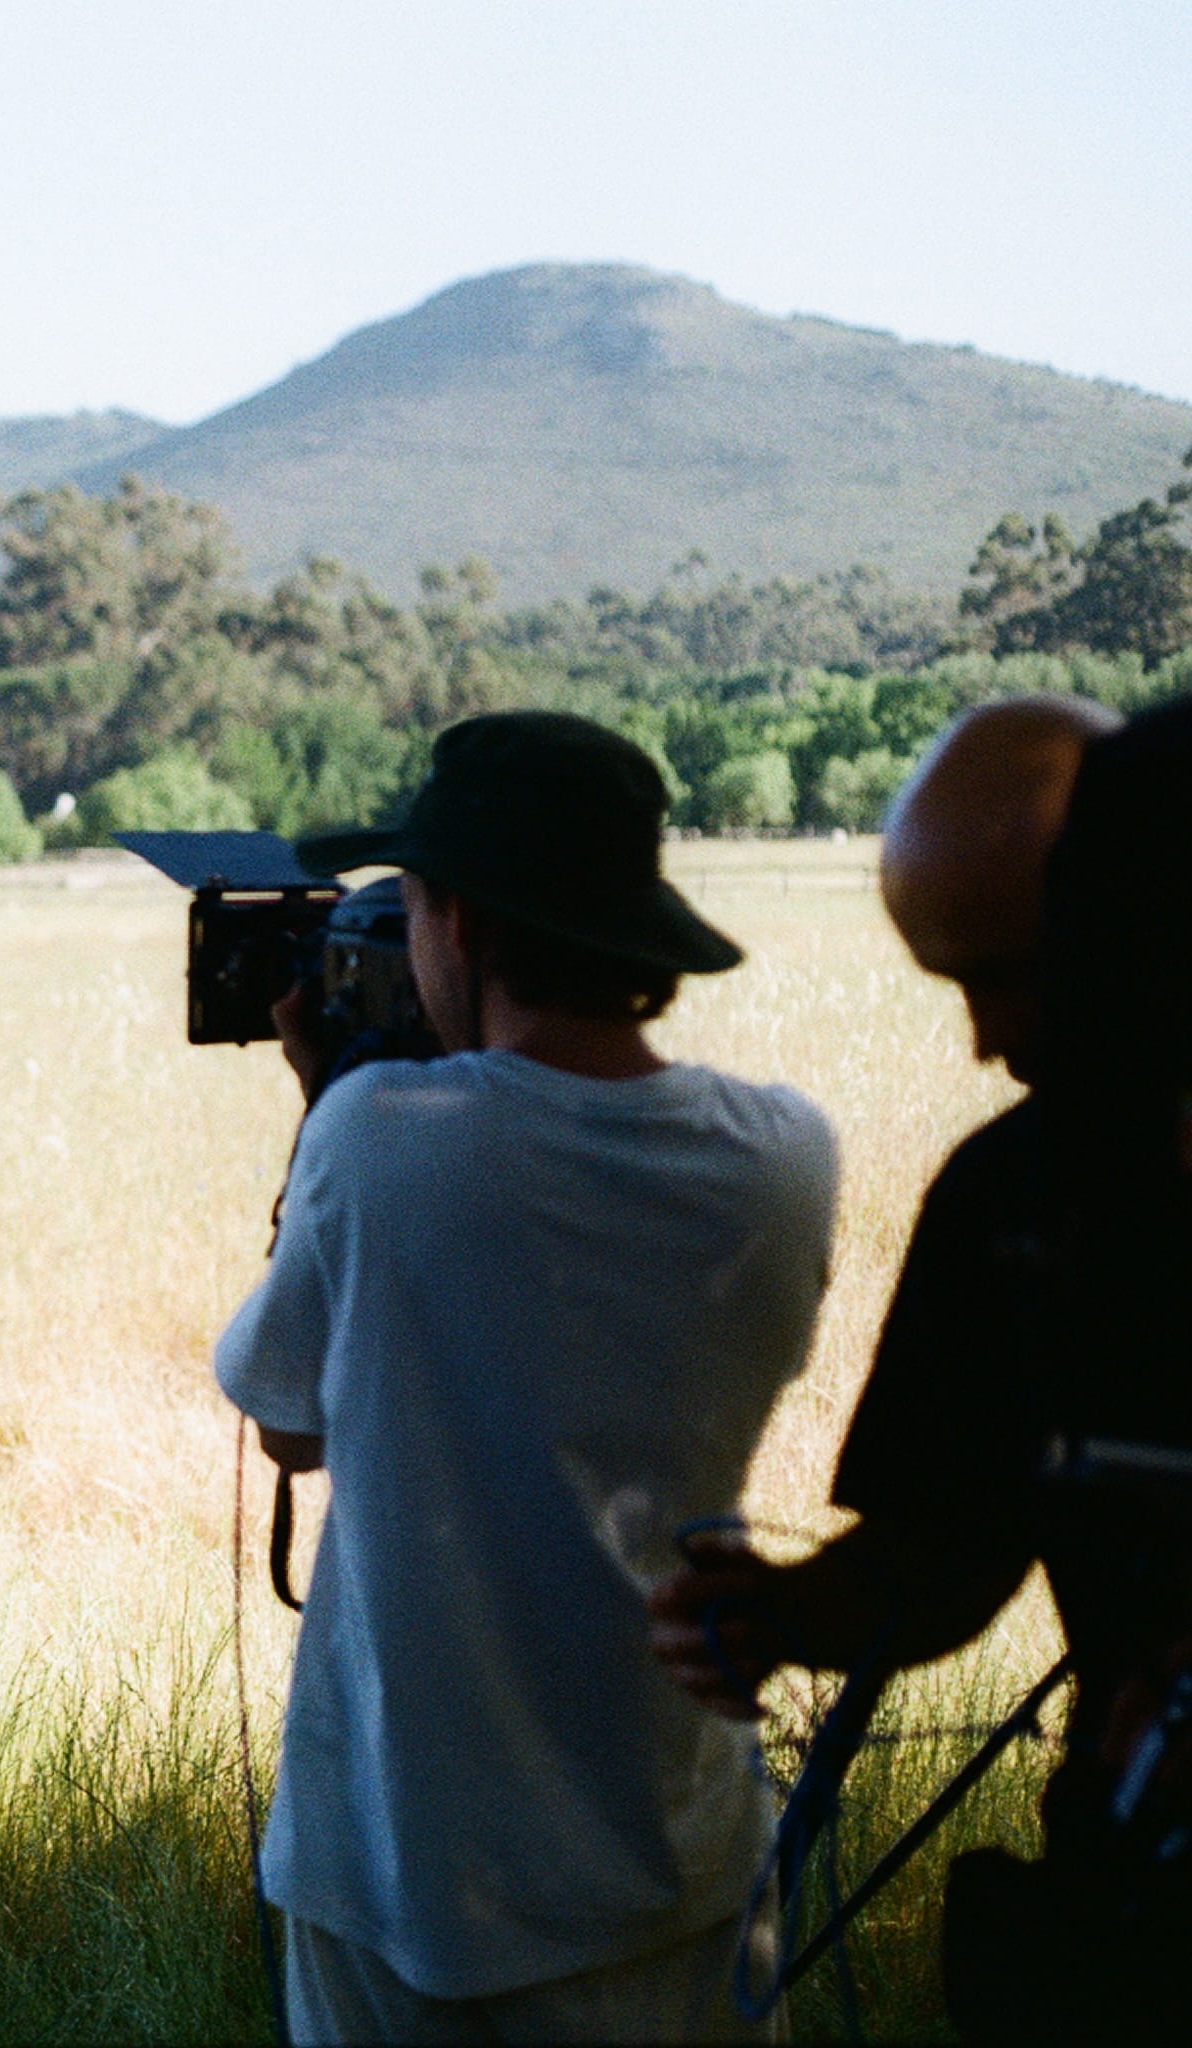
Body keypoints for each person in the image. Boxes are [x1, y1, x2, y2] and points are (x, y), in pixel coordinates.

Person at [213, 710, 840, 2044]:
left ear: (465, 923)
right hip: (676, 1847)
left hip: (398, 1870)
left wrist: (322, 1103)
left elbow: (286, 1429)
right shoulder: (784, 1155)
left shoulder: (371, 1143)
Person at [650, 694, 1192, 2043]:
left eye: (1016, 973)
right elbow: (945, 1546)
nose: (986, 1040)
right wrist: (786, 1615)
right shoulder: (1008, 1208)